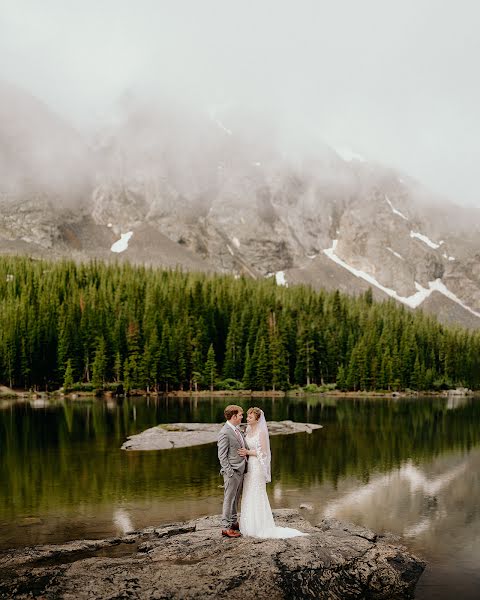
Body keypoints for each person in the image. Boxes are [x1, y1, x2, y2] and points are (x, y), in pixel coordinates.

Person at [239, 407, 308, 538]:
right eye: (247, 416)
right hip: (249, 467)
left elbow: (264, 453)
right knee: (248, 492)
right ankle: (248, 525)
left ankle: (259, 526)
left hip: (257, 467)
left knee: (257, 492)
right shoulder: (247, 430)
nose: (247, 419)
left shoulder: (261, 432)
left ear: (257, 419)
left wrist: (248, 452)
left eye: (250, 417)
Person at [217, 404, 248, 538]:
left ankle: (234, 522)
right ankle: (225, 527)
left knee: (236, 498)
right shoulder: (225, 432)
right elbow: (222, 455)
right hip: (232, 472)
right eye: (241, 415)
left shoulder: (237, 429)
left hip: (241, 470)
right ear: (234, 416)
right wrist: (229, 472)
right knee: (228, 499)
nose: (242, 417)